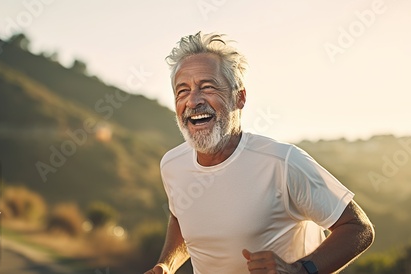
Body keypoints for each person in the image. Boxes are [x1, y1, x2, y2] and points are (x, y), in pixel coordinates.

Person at [144, 32, 374, 274]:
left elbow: (358, 228)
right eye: (183, 91)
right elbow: (182, 216)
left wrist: (300, 270)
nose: (193, 101)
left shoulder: (282, 163)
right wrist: (166, 265)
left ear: (239, 97)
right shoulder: (172, 165)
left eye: (207, 87)